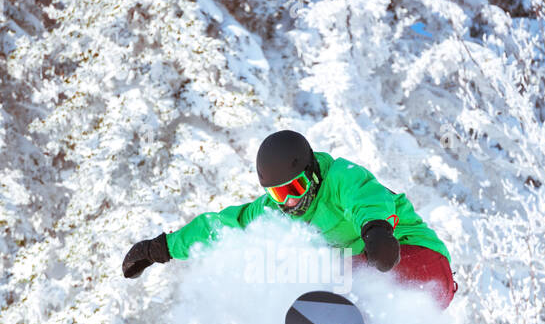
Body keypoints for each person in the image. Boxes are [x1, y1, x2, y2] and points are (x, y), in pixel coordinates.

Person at [122, 130, 458, 308]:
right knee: (300, 275)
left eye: (296, 187)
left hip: (418, 259)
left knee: (329, 276)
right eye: (280, 194)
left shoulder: (341, 177)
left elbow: (365, 199)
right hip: (370, 287)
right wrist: (161, 248)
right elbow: (224, 228)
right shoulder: (273, 212)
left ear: (312, 172)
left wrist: (377, 230)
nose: (292, 201)